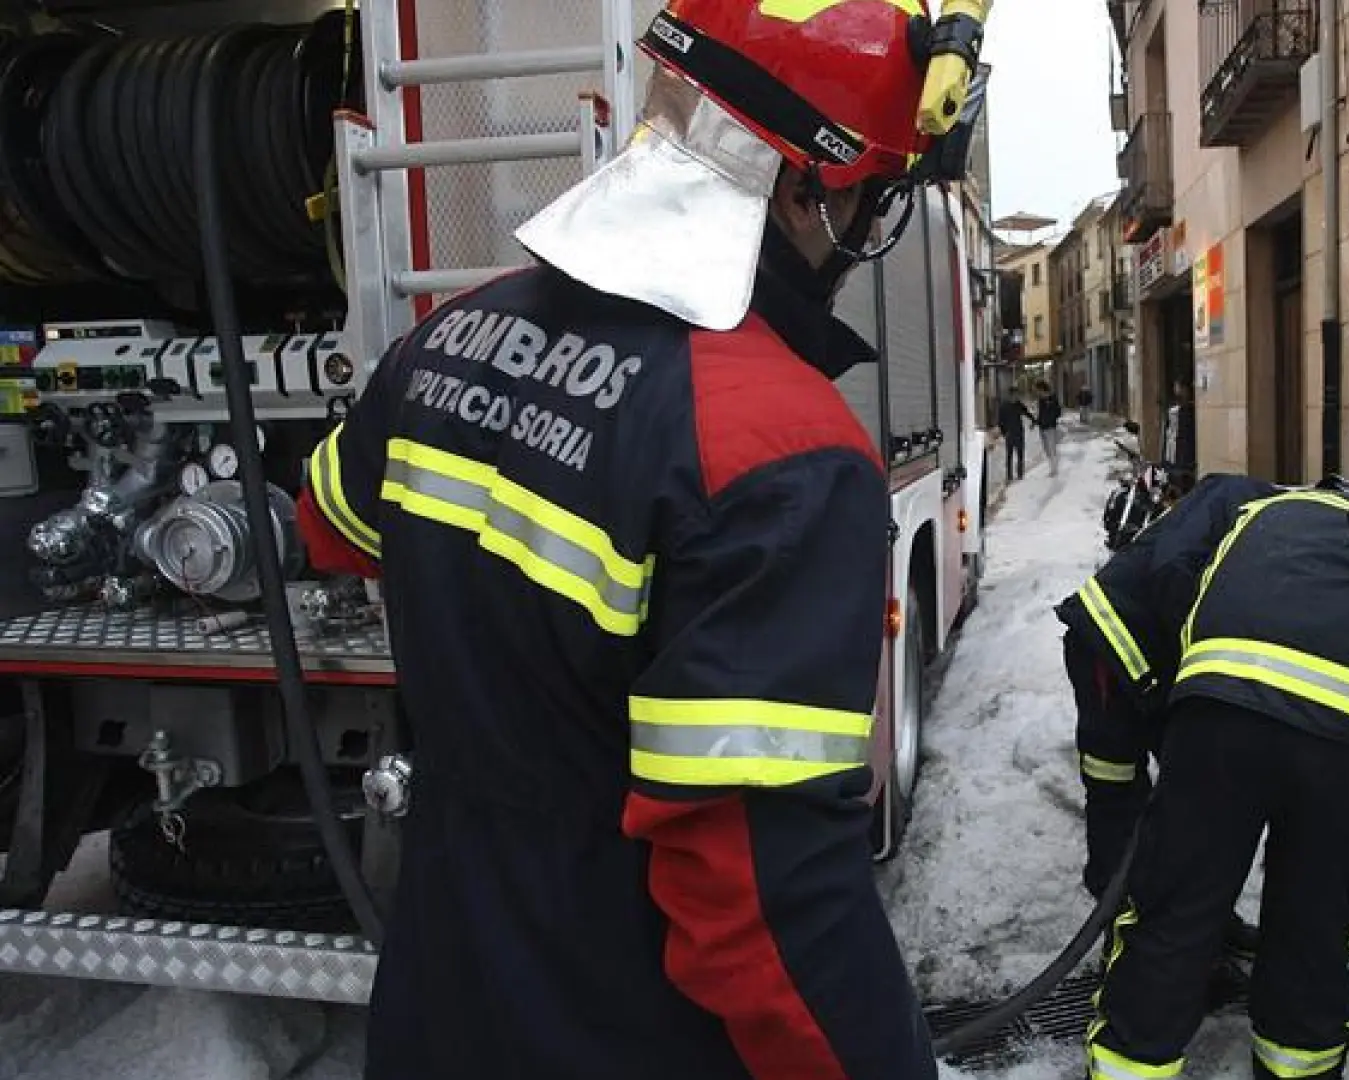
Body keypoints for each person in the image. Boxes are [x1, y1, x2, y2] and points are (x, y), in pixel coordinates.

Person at [294, 2, 989, 1076]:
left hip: (439, 1000)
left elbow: (331, 526)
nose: (861, 235)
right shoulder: (785, 456)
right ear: (806, 186)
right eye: (868, 201)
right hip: (621, 1030)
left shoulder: (445, 336)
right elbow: (763, 902)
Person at [1086, 460, 1349, 1080]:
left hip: (1219, 717)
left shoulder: (1272, 511)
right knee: (1312, 934)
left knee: (1174, 912)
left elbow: (1192, 591)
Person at [1054, 472, 1282, 966]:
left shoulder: (1288, 533)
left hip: (1160, 664)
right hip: (1112, 649)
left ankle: (1201, 926)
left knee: (1194, 798)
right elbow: (1173, 571)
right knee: (1116, 791)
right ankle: (1124, 927)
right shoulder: (1234, 496)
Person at [997, 392, 1036, 482]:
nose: (1016, 397)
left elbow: (1027, 413)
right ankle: (1009, 475)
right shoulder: (1004, 406)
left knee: (1020, 454)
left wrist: (1034, 421)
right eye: (1014, 395)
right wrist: (1004, 432)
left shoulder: (1019, 405)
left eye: (1017, 395)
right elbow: (1000, 420)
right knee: (1009, 455)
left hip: (1019, 432)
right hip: (1009, 433)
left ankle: (1020, 474)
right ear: (1010, 395)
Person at [1035, 379, 1063, 476]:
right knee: (1046, 449)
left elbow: (1058, 412)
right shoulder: (1040, 400)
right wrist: (1036, 422)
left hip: (1050, 427)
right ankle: (1052, 467)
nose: (1037, 392)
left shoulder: (1053, 398)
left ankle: (1054, 469)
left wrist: (1051, 419)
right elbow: (1040, 413)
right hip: (1042, 427)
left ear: (1042, 389)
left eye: (1037, 390)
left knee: (1052, 448)